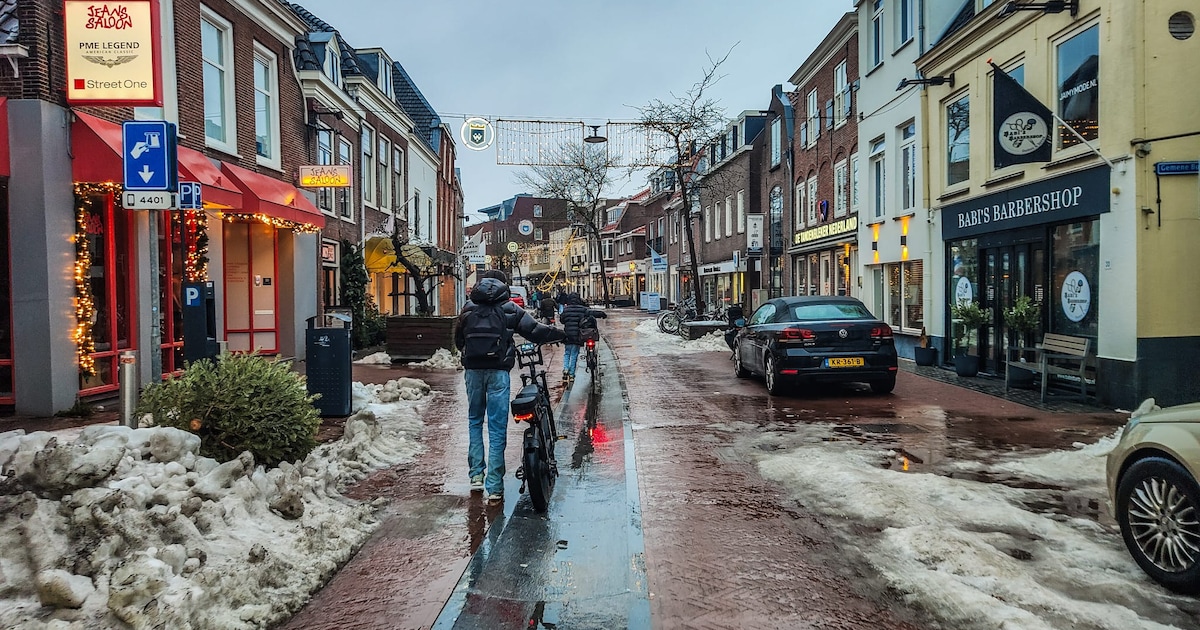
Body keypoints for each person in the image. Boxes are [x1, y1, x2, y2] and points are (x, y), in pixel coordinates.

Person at [454, 269, 565, 502]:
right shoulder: (510, 309)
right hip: (498, 372)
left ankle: (475, 476)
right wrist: (560, 334)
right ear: (504, 285)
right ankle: (494, 485)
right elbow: (535, 332)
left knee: (475, 421)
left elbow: (458, 340)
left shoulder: (467, 309)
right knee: (496, 427)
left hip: (473, 371)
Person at [558, 293, 597, 385]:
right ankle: (571, 374)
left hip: (567, 334)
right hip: (578, 335)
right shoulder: (582, 309)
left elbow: (562, 320)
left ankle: (566, 368)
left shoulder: (566, 310)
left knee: (567, 353)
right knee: (574, 354)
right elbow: (590, 315)